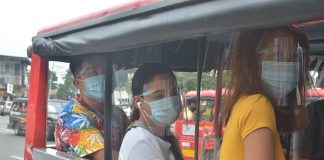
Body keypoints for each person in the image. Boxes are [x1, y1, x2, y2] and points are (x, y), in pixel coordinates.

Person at [219, 26, 311, 160]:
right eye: (276, 55)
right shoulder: (258, 105)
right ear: (252, 59)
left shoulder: (244, 102)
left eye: (293, 57)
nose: (286, 65)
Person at [54, 55, 129, 160]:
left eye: (106, 71)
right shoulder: (71, 115)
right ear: (77, 83)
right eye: (92, 73)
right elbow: (106, 157)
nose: (102, 76)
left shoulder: (117, 113)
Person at [119, 63, 183, 160]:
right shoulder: (140, 142)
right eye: (159, 96)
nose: (170, 100)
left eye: (174, 93)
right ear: (138, 102)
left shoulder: (163, 135)